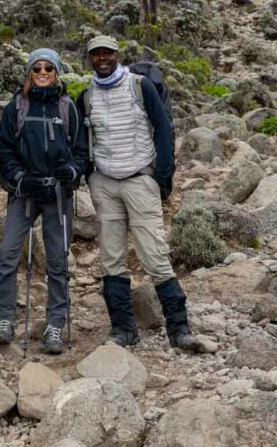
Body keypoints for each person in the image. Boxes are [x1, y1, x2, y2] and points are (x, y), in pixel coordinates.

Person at [77, 34, 207, 353]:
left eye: (108, 53)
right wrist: (88, 175)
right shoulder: (87, 95)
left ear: (118, 55)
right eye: (96, 54)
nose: (102, 58)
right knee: (111, 258)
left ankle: (179, 329)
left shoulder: (139, 86)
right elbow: (82, 140)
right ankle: (123, 329)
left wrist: (161, 179)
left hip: (139, 178)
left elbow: (163, 130)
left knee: (154, 255)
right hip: (105, 183)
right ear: (89, 59)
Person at [0, 47, 88, 354]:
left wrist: (70, 171)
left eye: (48, 68)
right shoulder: (16, 108)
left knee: (57, 260)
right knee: (7, 254)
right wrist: (19, 178)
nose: (43, 73)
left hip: (58, 194)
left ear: (57, 71)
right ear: (29, 73)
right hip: (24, 193)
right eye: (37, 68)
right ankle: (5, 318)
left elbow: (82, 153)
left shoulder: (67, 108)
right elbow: (4, 151)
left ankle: (55, 324)